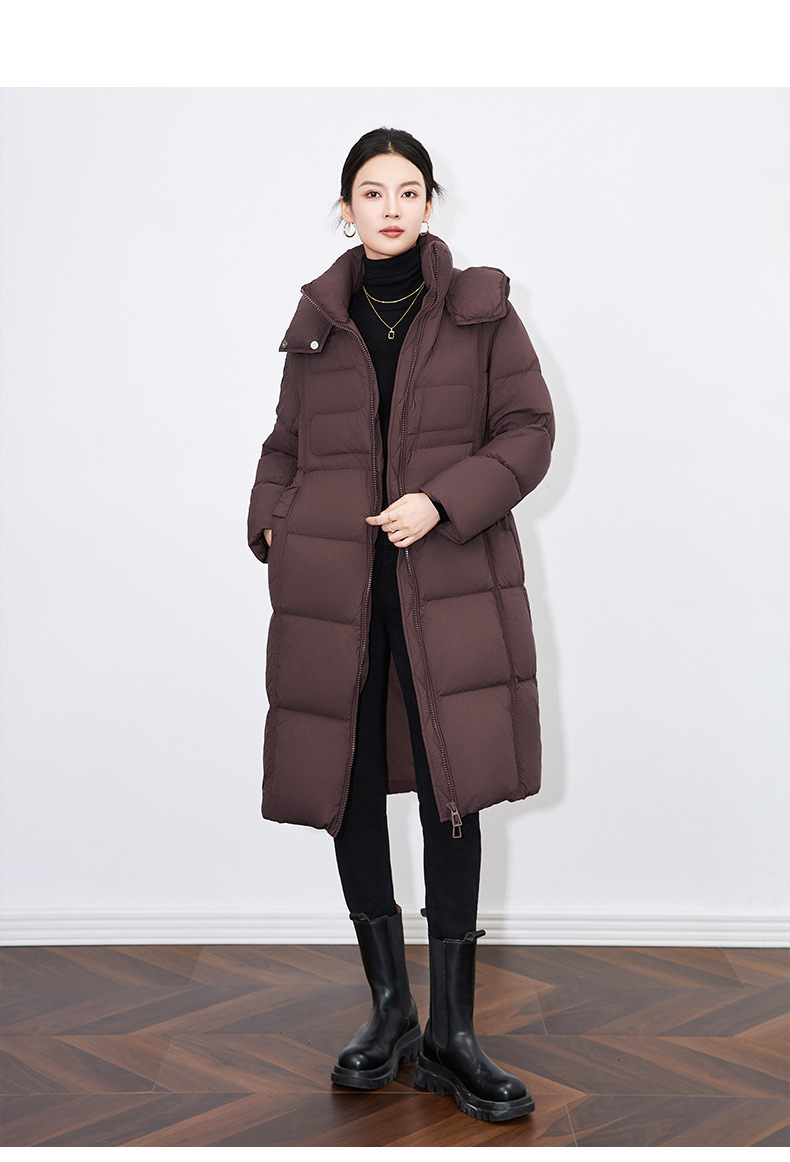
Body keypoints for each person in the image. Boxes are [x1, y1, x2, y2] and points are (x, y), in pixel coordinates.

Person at [247, 128, 554, 1123]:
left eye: (408, 190)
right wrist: (270, 520)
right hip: (336, 593)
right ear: (346, 209)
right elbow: (286, 445)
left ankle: (452, 1037)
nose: (390, 207)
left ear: (430, 204)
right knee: (345, 783)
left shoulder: (480, 310)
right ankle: (390, 1010)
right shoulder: (318, 323)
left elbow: (528, 431)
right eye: (372, 192)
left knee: (452, 789)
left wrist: (441, 500)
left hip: (447, 583)